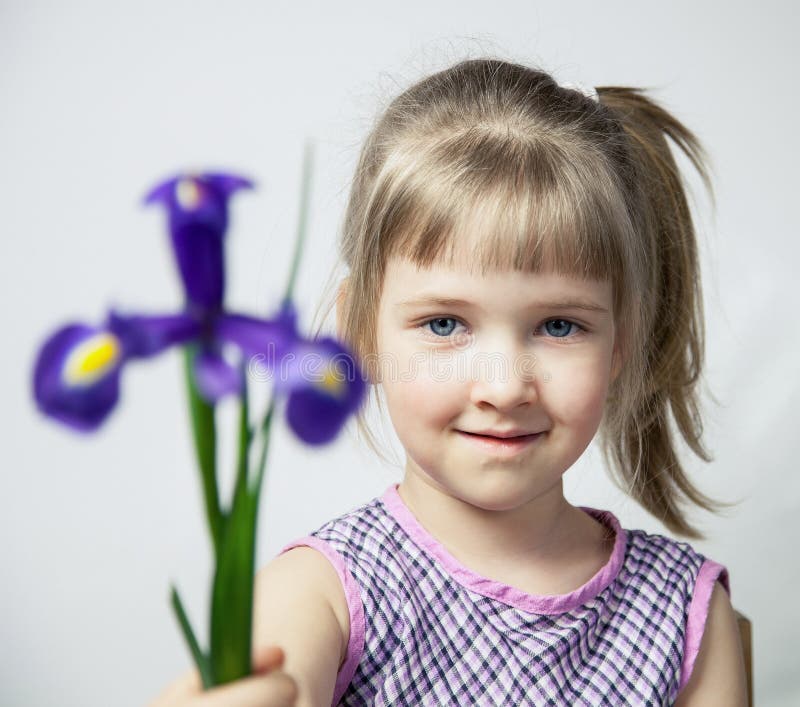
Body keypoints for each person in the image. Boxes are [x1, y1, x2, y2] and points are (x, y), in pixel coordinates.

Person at [160, 56, 750, 706]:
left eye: (559, 325)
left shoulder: (687, 616)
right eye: (444, 323)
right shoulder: (319, 595)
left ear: (621, 343)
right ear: (359, 331)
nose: (504, 387)